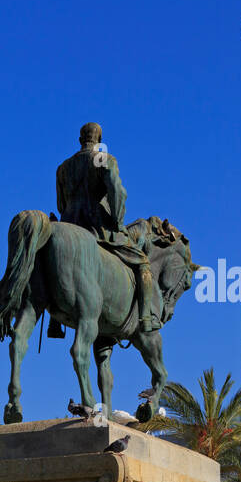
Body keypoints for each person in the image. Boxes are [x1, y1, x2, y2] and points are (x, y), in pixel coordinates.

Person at [55, 121, 159, 336]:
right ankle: (146, 318)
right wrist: (118, 221)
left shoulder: (63, 167)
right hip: (98, 226)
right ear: (99, 140)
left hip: (68, 223)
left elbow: (60, 204)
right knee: (143, 263)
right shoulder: (103, 159)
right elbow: (118, 193)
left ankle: (54, 322)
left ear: (80, 140)